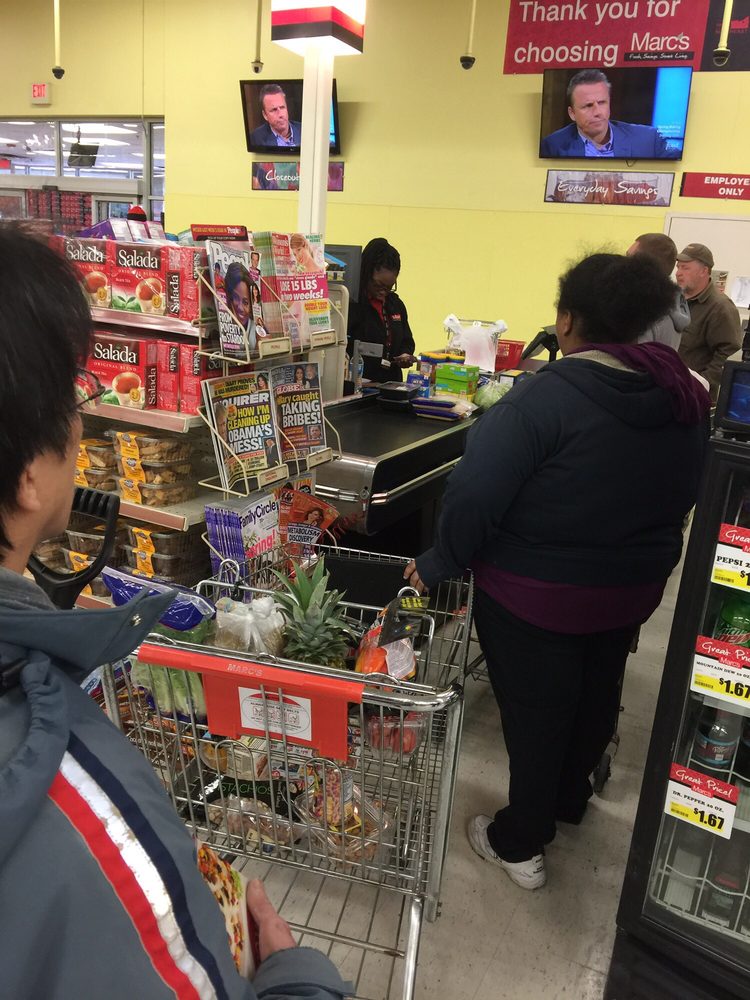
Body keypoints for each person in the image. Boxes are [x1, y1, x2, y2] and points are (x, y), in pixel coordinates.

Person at [0, 224, 350, 998]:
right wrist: (298, 979)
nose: (84, 424)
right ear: (27, 472)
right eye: (75, 398)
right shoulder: (79, 806)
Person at [404, 252, 708, 891]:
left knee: (538, 713)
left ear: (568, 320)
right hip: (630, 590)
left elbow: (475, 494)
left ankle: (520, 843)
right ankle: (570, 799)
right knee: (596, 695)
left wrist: (441, 559)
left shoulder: (544, 396)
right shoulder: (679, 394)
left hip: (537, 594)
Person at [540, 69, 670, 159]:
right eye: (588, 105)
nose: (597, 112)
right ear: (572, 113)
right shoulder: (552, 146)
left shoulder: (648, 140)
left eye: (602, 103)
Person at [674, 242, 743, 401]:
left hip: (692, 397)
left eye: (685, 268)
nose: (678, 273)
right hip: (668, 389)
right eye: (678, 267)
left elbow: (728, 353)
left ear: (704, 271)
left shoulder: (720, 307)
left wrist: (700, 386)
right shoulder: (674, 300)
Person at [347, 238, 417, 384]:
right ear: (366, 274)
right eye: (378, 285)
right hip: (360, 385)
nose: (383, 292)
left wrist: (405, 354)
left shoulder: (395, 304)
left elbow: (407, 340)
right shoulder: (351, 304)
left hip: (391, 384)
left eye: (389, 287)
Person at [626, 232, 690, 350]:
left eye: (629, 257)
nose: (623, 264)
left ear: (645, 265)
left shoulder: (644, 311)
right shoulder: (671, 305)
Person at [225, 261, 257, 352]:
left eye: (245, 302)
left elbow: (241, 355)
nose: (240, 307)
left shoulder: (255, 329)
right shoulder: (223, 326)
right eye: (235, 298)